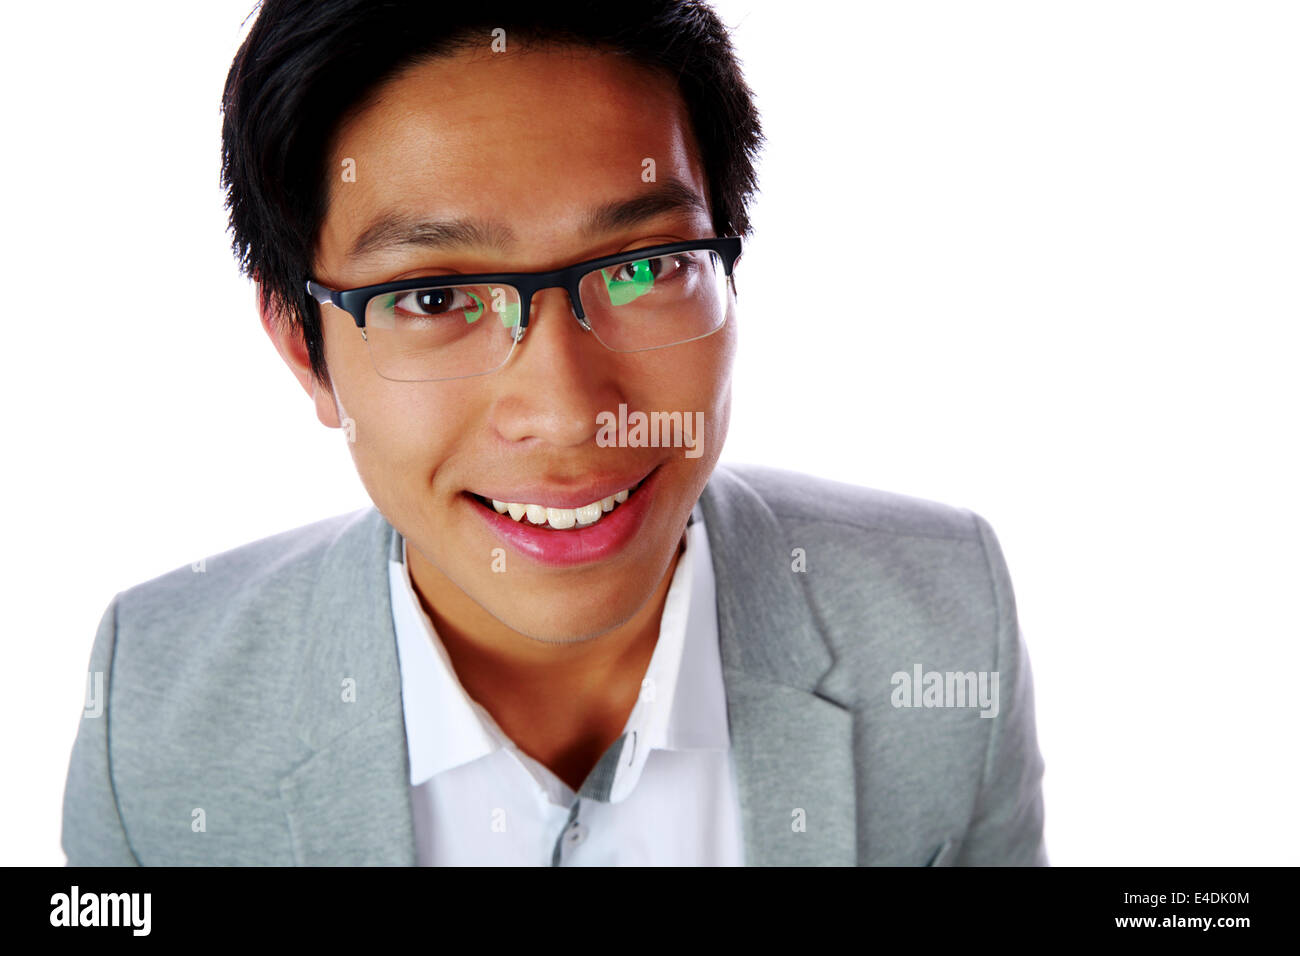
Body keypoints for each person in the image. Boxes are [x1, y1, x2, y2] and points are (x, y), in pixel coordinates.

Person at [61, 0, 1047, 866]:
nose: (572, 412)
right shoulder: (153, 708)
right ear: (303, 348)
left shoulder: (944, 612)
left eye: (645, 266)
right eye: (436, 294)